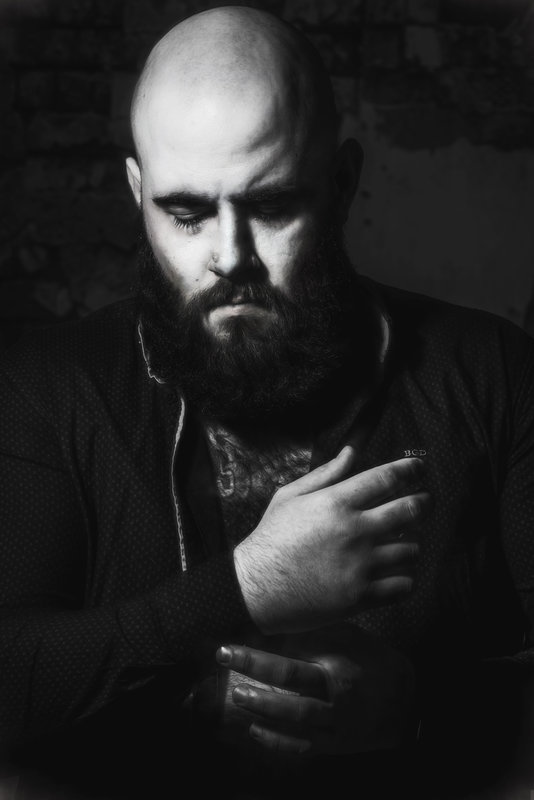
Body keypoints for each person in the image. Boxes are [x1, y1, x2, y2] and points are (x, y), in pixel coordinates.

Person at [0, 6, 533, 799]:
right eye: (186, 213)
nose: (230, 257)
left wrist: (423, 708)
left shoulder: (492, 372)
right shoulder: (48, 386)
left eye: (274, 205)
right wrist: (247, 585)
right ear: (137, 193)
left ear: (342, 183)